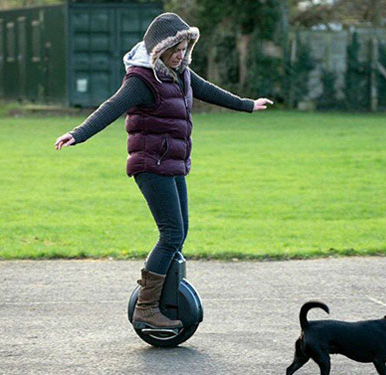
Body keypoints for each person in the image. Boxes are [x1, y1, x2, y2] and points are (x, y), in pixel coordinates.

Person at [55, 13, 273, 330]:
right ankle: (146, 308)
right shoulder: (142, 80)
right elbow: (111, 107)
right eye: (176, 49)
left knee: (179, 233)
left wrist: (247, 104)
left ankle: (165, 296)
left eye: (185, 48)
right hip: (150, 165)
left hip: (171, 164)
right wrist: (79, 133)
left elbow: (209, 91)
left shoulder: (180, 72)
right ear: (159, 48)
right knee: (170, 233)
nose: (181, 55)